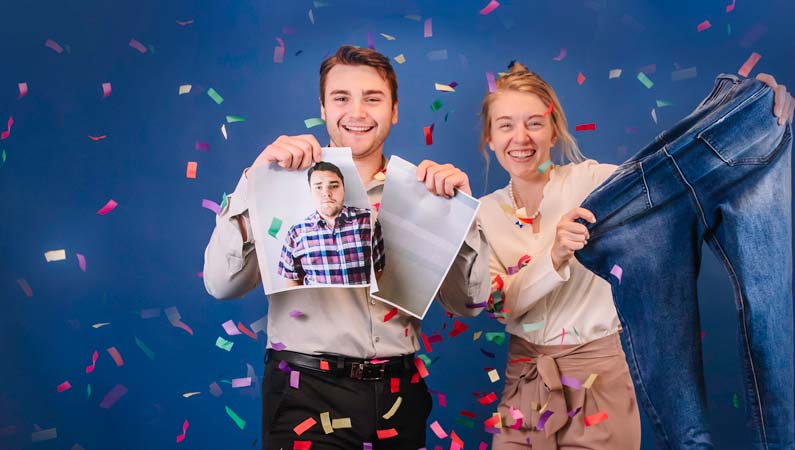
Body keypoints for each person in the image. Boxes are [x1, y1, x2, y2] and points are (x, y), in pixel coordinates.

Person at [476, 62, 793, 450]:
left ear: (554, 130)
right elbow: (501, 307)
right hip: (523, 388)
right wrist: (555, 253)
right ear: (489, 138)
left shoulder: (600, 183)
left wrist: (745, 110)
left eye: (534, 123)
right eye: (505, 125)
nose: (520, 137)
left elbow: (681, 161)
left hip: (599, 388)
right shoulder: (481, 214)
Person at [202, 45, 490, 450]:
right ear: (322, 107)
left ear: (394, 110)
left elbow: (470, 306)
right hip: (306, 395)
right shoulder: (282, 181)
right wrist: (256, 180)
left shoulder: (425, 193)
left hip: (399, 396)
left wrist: (462, 214)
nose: (356, 112)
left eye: (372, 98)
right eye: (341, 98)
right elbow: (221, 284)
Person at [277, 161, 385, 286]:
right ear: (310, 191)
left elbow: (378, 269)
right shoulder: (296, 233)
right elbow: (292, 279)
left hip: (360, 305)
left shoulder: (368, 220)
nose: (326, 193)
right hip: (316, 305)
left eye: (334, 186)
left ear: (343, 189)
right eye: (318, 187)